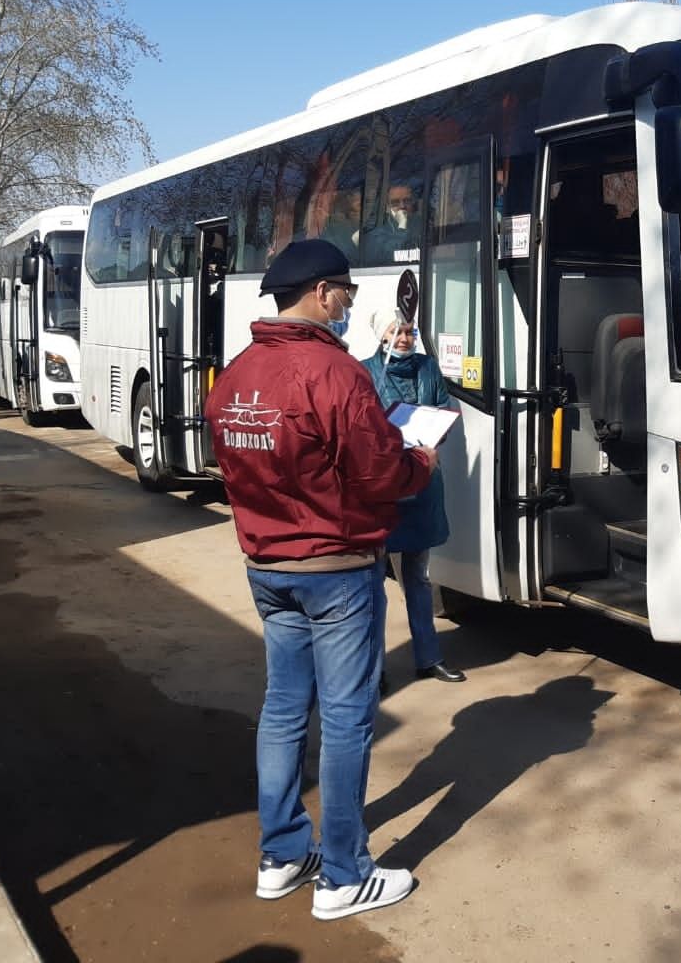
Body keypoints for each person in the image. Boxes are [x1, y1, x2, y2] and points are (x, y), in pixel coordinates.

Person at [205, 239, 438, 920]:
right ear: (319, 292)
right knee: (344, 720)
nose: (350, 304)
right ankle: (343, 875)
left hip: (268, 567)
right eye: (347, 292)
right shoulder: (332, 374)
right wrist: (419, 461)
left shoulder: (237, 374)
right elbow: (379, 476)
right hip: (335, 568)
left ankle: (282, 855)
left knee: (282, 709)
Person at [363, 307, 466, 684]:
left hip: (421, 482)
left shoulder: (428, 367)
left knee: (418, 579)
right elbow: (363, 427)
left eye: (409, 331)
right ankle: (375, 670)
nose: (405, 338)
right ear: (382, 335)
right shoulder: (365, 371)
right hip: (385, 489)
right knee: (374, 585)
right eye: (397, 331)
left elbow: (443, 408)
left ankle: (428, 658)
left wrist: (432, 431)